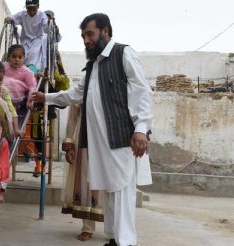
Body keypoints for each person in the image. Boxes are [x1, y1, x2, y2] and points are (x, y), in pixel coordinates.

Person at [32, 13, 153, 246]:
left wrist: (140, 128)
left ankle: (126, 242)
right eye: (83, 36)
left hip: (121, 138)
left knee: (121, 190)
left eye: (90, 34)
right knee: (109, 189)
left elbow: (142, 91)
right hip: (98, 143)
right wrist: (44, 97)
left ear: (106, 31)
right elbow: (74, 94)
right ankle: (114, 238)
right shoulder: (93, 65)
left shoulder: (123, 53)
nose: (86, 40)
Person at [61, 104, 103, 241]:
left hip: (108, 142)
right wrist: (69, 144)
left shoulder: (115, 86)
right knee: (85, 182)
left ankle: (116, 230)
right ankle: (87, 227)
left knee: (110, 184)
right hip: (84, 140)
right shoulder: (82, 88)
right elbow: (73, 118)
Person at [1, 44, 41, 176]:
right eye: (14, 57)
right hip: (1, 98)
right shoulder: (4, 67)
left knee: (10, 83)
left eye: (20, 57)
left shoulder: (27, 72)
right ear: (9, 57)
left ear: (24, 58)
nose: (17, 60)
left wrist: (30, 100)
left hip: (16, 99)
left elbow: (32, 87)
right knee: (3, 82)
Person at [4, 0, 49, 72]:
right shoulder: (22, 14)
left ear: (38, 7)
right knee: (24, 55)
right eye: (29, 9)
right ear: (26, 9)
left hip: (37, 39)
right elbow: (13, 18)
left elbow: (46, 26)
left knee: (34, 54)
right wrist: (9, 19)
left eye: (34, 9)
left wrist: (48, 23)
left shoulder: (42, 15)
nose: (31, 12)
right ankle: (22, 70)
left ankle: (33, 71)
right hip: (25, 39)